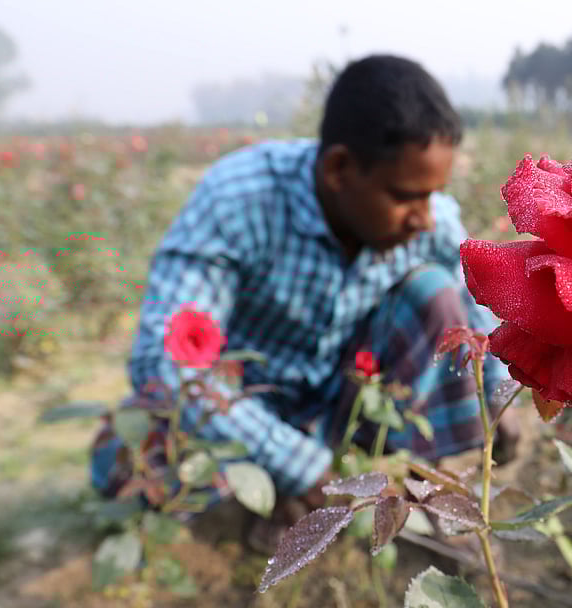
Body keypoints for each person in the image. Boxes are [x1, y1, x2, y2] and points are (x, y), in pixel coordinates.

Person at [88, 54, 520, 553]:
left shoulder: (428, 219)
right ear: (339, 169)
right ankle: (270, 506)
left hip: (346, 399)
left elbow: (472, 303)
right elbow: (165, 360)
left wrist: (497, 393)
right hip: (241, 406)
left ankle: (423, 498)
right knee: (123, 461)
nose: (424, 218)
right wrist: (298, 465)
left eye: (433, 196)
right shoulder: (240, 202)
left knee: (435, 294)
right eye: (406, 197)